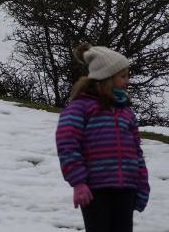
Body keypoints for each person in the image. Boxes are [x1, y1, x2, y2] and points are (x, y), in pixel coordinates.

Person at [56, 43, 149, 232]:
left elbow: (137, 151)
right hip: (95, 190)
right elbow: (67, 143)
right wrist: (78, 182)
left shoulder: (126, 113)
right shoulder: (81, 108)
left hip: (126, 188)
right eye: (123, 76)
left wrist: (142, 184)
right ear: (106, 78)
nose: (127, 81)